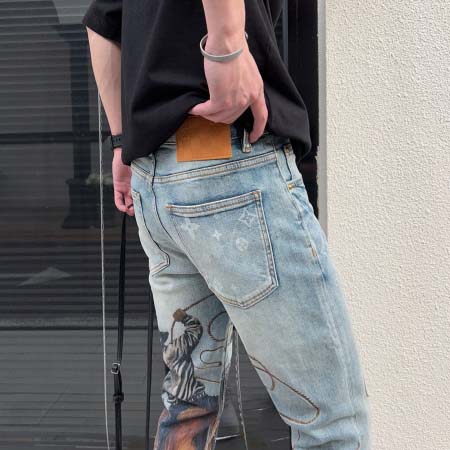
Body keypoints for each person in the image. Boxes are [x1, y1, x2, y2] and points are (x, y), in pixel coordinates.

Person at [82, 0, 371, 448]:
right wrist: (227, 46)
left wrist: (122, 142)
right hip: (230, 170)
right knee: (331, 423)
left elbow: (102, 22)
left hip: (158, 182)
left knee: (189, 404)